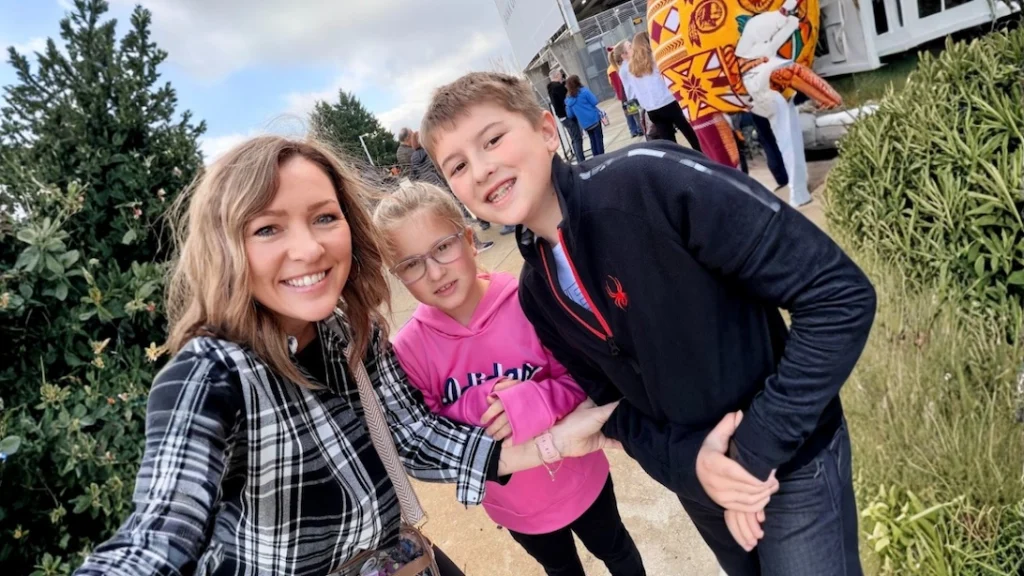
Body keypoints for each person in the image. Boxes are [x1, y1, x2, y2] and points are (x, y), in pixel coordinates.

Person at [72, 135, 619, 576]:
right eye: (267, 228)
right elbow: (160, 532)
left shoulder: (353, 336)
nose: (309, 248)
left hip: (399, 560)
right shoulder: (210, 373)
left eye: (324, 218)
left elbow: (415, 438)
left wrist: (550, 441)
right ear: (226, 248)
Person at [420, 72, 877, 576]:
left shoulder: (649, 183)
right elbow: (612, 407)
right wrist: (692, 465)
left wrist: (751, 453)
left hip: (790, 465)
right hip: (697, 481)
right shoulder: (537, 293)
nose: (481, 169)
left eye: (493, 139)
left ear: (548, 131)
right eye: (458, 165)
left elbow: (838, 295)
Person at [374, 183, 646, 576]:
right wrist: (477, 404)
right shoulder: (408, 350)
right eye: (412, 264)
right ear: (399, 276)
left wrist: (535, 402)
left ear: (469, 239)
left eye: (443, 247)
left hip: (580, 479)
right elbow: (428, 430)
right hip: (514, 504)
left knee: (616, 548)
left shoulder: (529, 298)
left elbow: (582, 376)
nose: (434, 272)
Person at [405, 128, 496, 250]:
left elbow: (414, 177)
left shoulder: (413, 158)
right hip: (443, 187)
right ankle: (476, 244)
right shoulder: (430, 154)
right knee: (462, 215)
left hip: (431, 192)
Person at [618, 34, 702, 152]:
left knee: (669, 143)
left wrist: (642, 105)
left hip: (652, 108)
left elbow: (633, 90)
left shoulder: (631, 67)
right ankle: (703, 156)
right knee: (690, 133)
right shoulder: (654, 58)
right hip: (669, 101)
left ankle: (678, 163)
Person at [547, 68, 585, 163]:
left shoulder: (551, 88)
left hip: (562, 117)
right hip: (567, 115)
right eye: (560, 75)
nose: (561, 76)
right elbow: (566, 98)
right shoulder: (558, 88)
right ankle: (581, 161)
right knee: (577, 138)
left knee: (574, 137)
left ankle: (579, 158)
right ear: (557, 76)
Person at [564, 75, 605, 157]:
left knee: (592, 141)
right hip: (594, 119)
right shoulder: (584, 92)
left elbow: (570, 114)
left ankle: (596, 158)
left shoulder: (568, 99)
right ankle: (602, 158)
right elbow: (594, 101)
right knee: (599, 140)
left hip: (585, 124)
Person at [607, 44, 642, 138]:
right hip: (631, 96)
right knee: (640, 118)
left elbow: (611, 83)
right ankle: (639, 129)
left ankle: (633, 130)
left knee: (629, 115)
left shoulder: (611, 69)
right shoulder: (625, 67)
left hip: (625, 96)